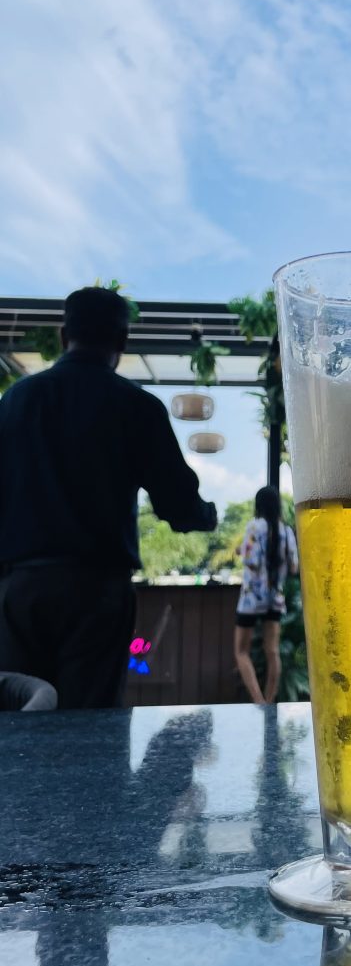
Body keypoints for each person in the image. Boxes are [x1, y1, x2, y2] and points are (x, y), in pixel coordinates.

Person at [0, 287, 217, 709]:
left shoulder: (17, 401)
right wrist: (208, 517)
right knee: (89, 732)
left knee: (17, 725)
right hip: (96, 596)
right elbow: (177, 506)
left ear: (64, 336)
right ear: (121, 342)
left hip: (20, 591)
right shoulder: (137, 408)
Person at [235, 485, 298, 705]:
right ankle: (270, 701)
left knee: (241, 651)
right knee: (272, 652)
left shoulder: (254, 526)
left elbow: (249, 560)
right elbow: (293, 568)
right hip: (274, 598)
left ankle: (258, 700)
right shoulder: (286, 531)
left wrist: (240, 550)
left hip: (251, 598)